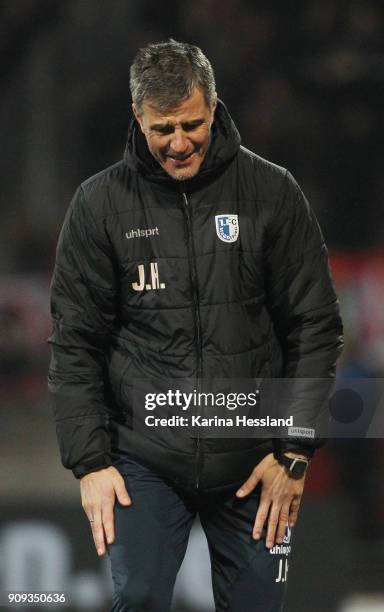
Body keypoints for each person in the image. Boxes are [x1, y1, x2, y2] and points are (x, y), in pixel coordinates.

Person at [48, 39, 343, 611]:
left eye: (192, 124)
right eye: (163, 129)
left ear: (214, 106)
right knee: (138, 597)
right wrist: (91, 461)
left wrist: (295, 452)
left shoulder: (273, 193)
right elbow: (75, 343)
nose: (180, 143)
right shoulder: (97, 206)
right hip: (144, 460)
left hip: (255, 456)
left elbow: (315, 326)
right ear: (138, 118)